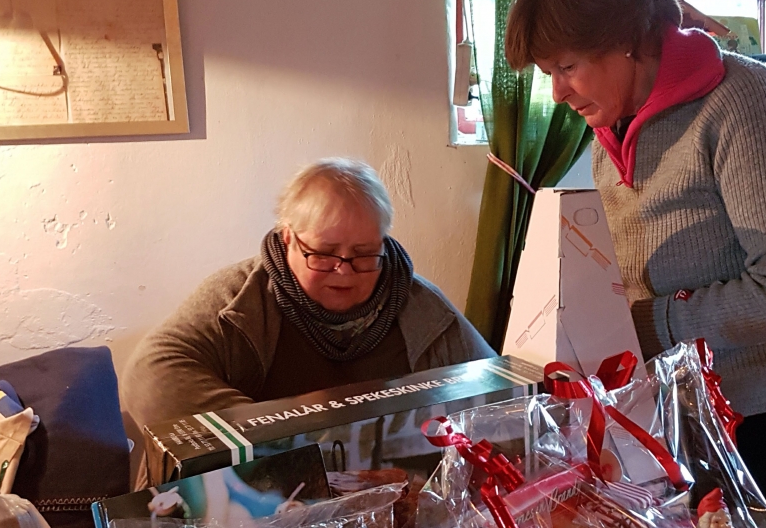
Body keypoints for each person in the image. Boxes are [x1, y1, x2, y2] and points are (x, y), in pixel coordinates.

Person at [504, 0, 766, 526]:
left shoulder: (744, 103)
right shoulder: (611, 129)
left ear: (624, 38)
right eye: (548, 73)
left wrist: (643, 324)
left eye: (566, 67)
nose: (556, 92)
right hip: (686, 408)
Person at [121, 158, 495, 478]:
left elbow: (499, 394)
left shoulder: (422, 307)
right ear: (288, 240)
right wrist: (291, 441)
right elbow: (150, 377)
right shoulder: (238, 298)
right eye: (325, 253)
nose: (344, 272)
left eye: (364, 254)